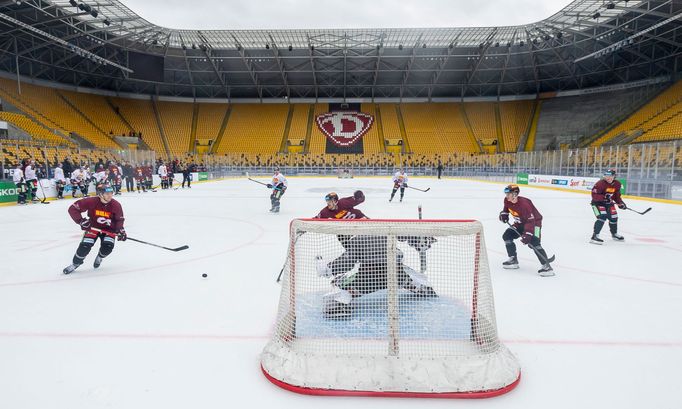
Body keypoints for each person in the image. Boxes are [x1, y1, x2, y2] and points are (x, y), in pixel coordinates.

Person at [316, 234, 438, 319]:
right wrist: (420, 239)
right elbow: (405, 235)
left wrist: (328, 269)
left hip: (369, 280)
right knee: (403, 272)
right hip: (396, 274)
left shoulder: (355, 239)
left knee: (340, 284)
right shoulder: (385, 232)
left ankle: (341, 304)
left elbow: (347, 262)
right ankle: (418, 286)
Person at [62, 183, 126, 274]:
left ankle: (100, 257)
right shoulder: (91, 201)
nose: (110, 195)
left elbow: (119, 219)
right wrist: (81, 221)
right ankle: (75, 264)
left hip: (109, 230)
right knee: (84, 247)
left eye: (111, 193)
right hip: (93, 228)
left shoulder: (116, 205)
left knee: (107, 248)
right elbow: (72, 209)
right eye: (107, 193)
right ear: (100, 194)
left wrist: (120, 230)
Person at [498, 184, 554, 277]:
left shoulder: (524, 204)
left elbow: (531, 220)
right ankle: (513, 259)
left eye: (509, 194)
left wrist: (527, 234)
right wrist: (504, 215)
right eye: (506, 193)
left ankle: (546, 266)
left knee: (534, 242)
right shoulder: (507, 200)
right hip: (520, 223)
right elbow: (505, 209)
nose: (506, 196)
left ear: (515, 194)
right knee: (507, 235)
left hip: (535, 224)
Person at [590, 169, 626, 244]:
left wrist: (621, 203)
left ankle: (614, 234)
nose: (608, 178)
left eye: (610, 176)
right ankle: (595, 236)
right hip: (597, 204)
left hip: (608, 204)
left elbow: (616, 196)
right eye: (606, 176)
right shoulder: (600, 184)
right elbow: (594, 195)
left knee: (614, 217)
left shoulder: (617, 184)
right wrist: (604, 198)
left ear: (614, 176)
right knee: (602, 217)